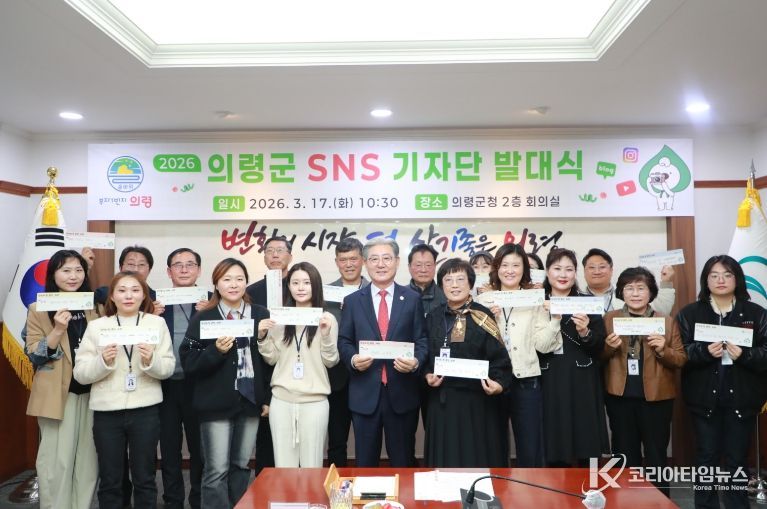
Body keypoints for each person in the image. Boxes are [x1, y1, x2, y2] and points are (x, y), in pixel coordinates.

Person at [73, 271, 175, 509]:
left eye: (135, 290)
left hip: (145, 411)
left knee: (145, 478)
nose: (128, 296)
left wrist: (150, 360)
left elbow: (168, 368)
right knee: (110, 479)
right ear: (112, 296)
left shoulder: (156, 323)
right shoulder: (97, 327)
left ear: (144, 295)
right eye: (122, 290)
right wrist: (102, 361)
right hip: (107, 412)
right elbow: (80, 373)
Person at [180, 258, 271, 509]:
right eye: (227, 279)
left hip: (250, 401)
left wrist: (266, 398)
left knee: (241, 465)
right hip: (215, 403)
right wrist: (216, 351)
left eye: (239, 279)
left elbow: (271, 362)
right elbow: (189, 361)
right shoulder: (204, 317)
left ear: (246, 283)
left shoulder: (260, 315)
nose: (233, 284)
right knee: (216, 469)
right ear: (216, 284)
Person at [677, 255, 767, 507]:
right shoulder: (690, 313)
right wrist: (704, 352)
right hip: (703, 399)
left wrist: (745, 355)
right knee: (706, 457)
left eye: (727, 275)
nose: (721, 280)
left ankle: (737, 504)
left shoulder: (756, 314)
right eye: (714, 275)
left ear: (737, 279)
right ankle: (705, 505)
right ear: (706, 280)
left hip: (742, 399)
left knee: (737, 459)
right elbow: (679, 353)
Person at [338, 237, 428, 467]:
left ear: (397, 261)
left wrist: (416, 362)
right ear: (365, 263)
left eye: (386, 258)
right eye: (374, 259)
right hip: (365, 394)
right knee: (365, 465)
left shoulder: (412, 299)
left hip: (402, 394)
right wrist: (353, 359)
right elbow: (344, 340)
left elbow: (422, 340)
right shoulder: (352, 301)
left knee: (403, 462)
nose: (380, 264)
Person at [602, 267, 687, 497]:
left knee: (656, 455)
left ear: (651, 292)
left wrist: (663, 350)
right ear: (621, 292)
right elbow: (598, 358)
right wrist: (609, 348)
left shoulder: (666, 321)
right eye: (629, 288)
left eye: (641, 288)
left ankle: (659, 501)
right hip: (620, 398)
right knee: (623, 455)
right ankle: (625, 501)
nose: (635, 293)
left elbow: (680, 359)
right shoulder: (610, 319)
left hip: (657, 399)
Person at [25, 250, 99, 509]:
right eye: (66, 270)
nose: (73, 276)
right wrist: (57, 330)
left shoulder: (95, 306)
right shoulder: (38, 308)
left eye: (78, 270)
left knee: (88, 462)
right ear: (53, 274)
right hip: (58, 394)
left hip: (93, 392)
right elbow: (35, 355)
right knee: (57, 461)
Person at [476, 243, 561, 467]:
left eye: (516, 265)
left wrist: (555, 320)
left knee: (531, 448)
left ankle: (529, 489)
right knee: (494, 447)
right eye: (504, 265)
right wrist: (488, 321)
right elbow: (475, 346)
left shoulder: (534, 299)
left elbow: (544, 346)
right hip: (492, 382)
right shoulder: (483, 301)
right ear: (496, 268)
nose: (510, 270)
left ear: (524, 269)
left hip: (526, 382)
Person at [423, 258, 512, 467]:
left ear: (470, 283)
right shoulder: (433, 316)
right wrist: (427, 375)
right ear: (441, 285)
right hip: (442, 402)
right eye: (448, 280)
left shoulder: (483, 315)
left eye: (460, 279)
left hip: (477, 403)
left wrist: (499, 384)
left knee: (474, 459)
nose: (454, 285)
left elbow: (500, 358)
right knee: (444, 464)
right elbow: (425, 356)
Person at [258, 262, 339, 467]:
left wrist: (326, 334)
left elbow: (331, 361)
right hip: (281, 400)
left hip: (315, 402)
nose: (300, 288)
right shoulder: (279, 318)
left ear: (315, 286)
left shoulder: (327, 318)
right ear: (288, 286)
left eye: (306, 282)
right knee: (283, 465)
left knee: (312, 465)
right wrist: (262, 337)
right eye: (295, 283)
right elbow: (272, 358)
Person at [539, 248, 609, 466]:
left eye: (569, 269)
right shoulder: (538, 301)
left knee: (585, 438)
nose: (563, 274)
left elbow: (600, 346)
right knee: (553, 439)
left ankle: (589, 484)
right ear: (547, 272)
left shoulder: (588, 302)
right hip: (548, 377)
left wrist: (585, 332)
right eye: (557, 268)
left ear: (575, 273)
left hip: (582, 378)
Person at [157, 248, 209, 509]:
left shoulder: (212, 300)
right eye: (178, 265)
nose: (185, 269)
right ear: (169, 272)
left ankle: (198, 500)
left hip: (200, 384)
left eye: (190, 264)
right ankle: (173, 501)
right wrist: (149, 315)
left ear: (199, 270)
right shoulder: (156, 302)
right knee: (169, 448)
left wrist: (211, 313)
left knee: (200, 448)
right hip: (165, 384)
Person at [245, 236, 292, 472]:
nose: (275, 255)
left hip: (293, 365)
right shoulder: (250, 292)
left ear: (290, 256)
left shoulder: (300, 286)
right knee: (264, 433)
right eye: (270, 250)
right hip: (262, 366)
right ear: (264, 257)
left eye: (280, 250)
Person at [324, 237, 369, 467]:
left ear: (363, 260)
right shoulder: (324, 294)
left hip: (368, 374)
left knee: (368, 440)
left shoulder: (376, 290)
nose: (349, 264)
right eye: (343, 260)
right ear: (336, 262)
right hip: (336, 375)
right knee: (336, 441)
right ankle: (336, 487)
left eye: (353, 259)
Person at [581, 248, 676, 315]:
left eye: (602, 267)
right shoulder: (577, 298)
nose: (597, 272)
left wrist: (666, 281)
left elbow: (661, 311)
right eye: (591, 267)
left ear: (611, 270)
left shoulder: (626, 292)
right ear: (584, 271)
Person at [407, 243, 447, 317]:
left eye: (428, 265)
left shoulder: (446, 296)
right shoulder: (399, 296)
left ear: (435, 266)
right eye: (418, 265)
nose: (423, 270)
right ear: (409, 267)